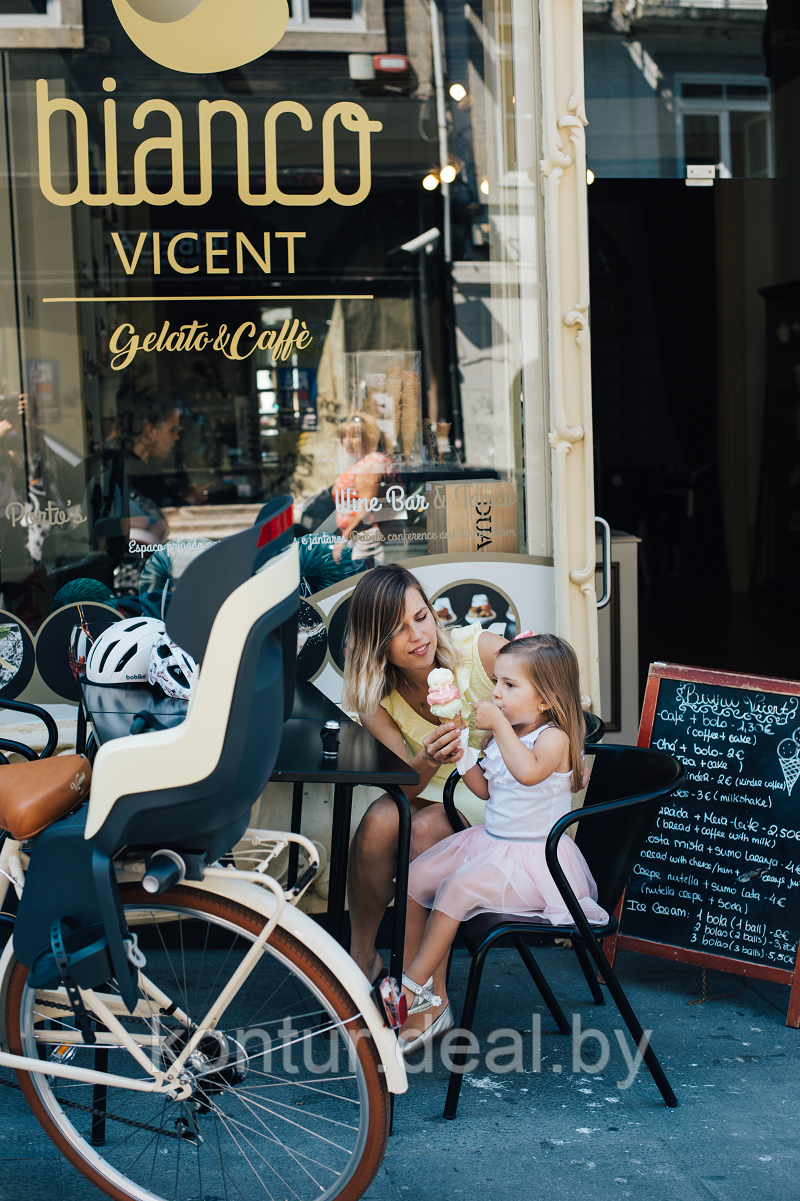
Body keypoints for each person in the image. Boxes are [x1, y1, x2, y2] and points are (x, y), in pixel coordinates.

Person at [398, 634, 607, 1053]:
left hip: (536, 862)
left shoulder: (555, 739)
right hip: (490, 843)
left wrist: (495, 726)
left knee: (457, 888)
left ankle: (410, 987)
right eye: (496, 681)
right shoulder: (505, 735)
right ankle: (419, 990)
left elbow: (528, 772)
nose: (495, 693)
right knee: (416, 876)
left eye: (510, 685)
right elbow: (487, 791)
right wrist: (461, 751)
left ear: (546, 698)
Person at [342, 563, 507, 995]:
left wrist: (499, 736)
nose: (418, 636)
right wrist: (430, 758)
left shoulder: (482, 653)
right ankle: (363, 955)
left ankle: (426, 991)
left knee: (427, 828)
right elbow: (407, 785)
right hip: (433, 790)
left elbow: (556, 704)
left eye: (421, 617)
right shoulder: (375, 696)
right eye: (398, 630)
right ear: (376, 644)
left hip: (499, 794)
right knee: (379, 820)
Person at [331, 411, 392, 565]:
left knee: (366, 584)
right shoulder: (364, 462)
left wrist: (343, 539)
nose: (347, 442)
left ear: (368, 437)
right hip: (358, 536)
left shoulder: (371, 463)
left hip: (365, 538)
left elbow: (366, 506)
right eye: (344, 436)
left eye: (354, 436)